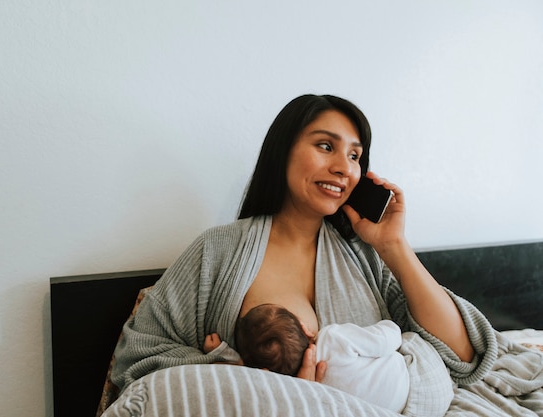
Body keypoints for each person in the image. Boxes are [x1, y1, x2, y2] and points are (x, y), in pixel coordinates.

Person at [110, 94, 543, 415]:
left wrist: (393, 246)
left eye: (355, 155)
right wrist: (241, 367)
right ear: (283, 151)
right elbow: (141, 356)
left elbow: (461, 354)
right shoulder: (218, 250)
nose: (344, 167)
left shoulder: (364, 257)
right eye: (325, 146)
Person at [204, 303, 453, 417]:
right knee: (409, 339)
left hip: (405, 410)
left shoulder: (296, 390)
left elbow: (246, 376)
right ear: (305, 327)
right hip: (425, 383)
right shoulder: (333, 338)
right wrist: (388, 325)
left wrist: (220, 352)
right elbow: (389, 338)